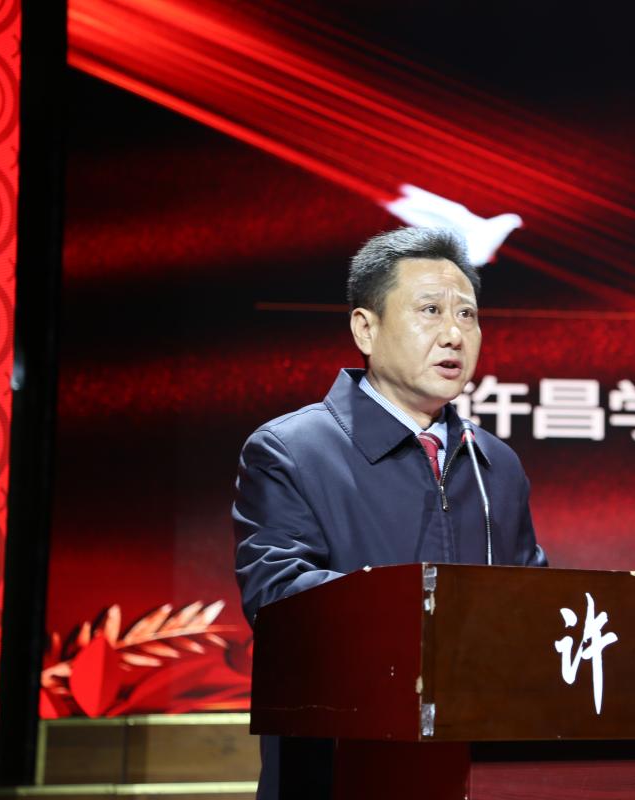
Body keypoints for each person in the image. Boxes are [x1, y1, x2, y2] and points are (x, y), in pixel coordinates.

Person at [232, 227, 547, 799]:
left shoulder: (494, 463)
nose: (454, 334)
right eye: (430, 311)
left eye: (467, 315)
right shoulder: (292, 450)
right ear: (365, 328)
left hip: (477, 770)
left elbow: (534, 600)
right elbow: (279, 603)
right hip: (340, 769)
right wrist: (430, 621)